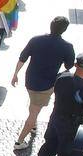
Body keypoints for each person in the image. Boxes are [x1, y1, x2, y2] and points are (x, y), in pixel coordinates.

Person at [11, 15, 76, 148]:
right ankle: (20, 141)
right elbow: (69, 66)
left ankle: (33, 126)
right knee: (35, 112)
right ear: (64, 30)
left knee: (33, 104)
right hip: (47, 84)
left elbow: (23, 58)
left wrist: (16, 74)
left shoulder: (36, 40)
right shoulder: (67, 46)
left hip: (30, 80)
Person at [37, 52, 83, 156]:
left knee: (48, 147)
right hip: (71, 125)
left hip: (55, 118)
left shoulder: (62, 77)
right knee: (64, 155)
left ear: (76, 64)